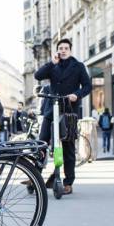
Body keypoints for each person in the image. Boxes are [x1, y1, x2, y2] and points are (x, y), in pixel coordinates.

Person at [34, 38, 91, 195]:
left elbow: (87, 86)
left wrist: (77, 95)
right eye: (61, 48)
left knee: (68, 147)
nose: (63, 50)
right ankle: (35, 174)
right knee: (41, 143)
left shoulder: (78, 66)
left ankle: (68, 182)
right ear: (57, 50)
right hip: (51, 110)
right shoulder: (53, 65)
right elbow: (38, 76)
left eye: (66, 48)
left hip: (69, 111)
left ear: (70, 50)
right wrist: (51, 63)